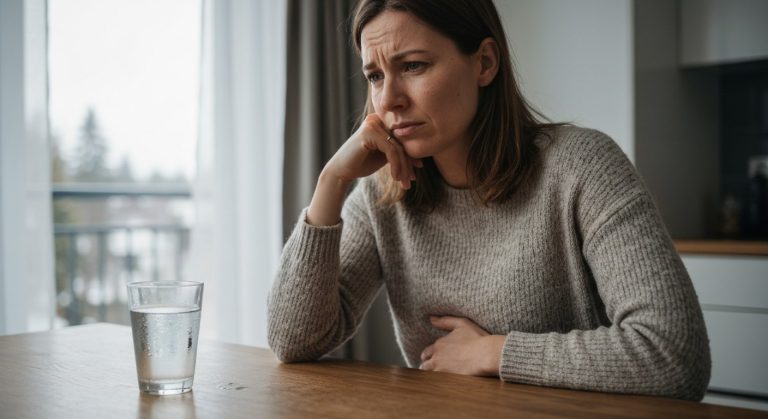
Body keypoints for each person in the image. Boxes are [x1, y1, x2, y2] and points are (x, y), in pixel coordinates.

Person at [267, 0, 711, 401]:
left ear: (484, 63)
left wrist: (493, 353)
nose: (389, 100)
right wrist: (331, 181)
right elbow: (293, 341)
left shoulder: (582, 168)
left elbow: (673, 353)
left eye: (414, 66)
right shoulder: (383, 196)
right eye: (375, 76)